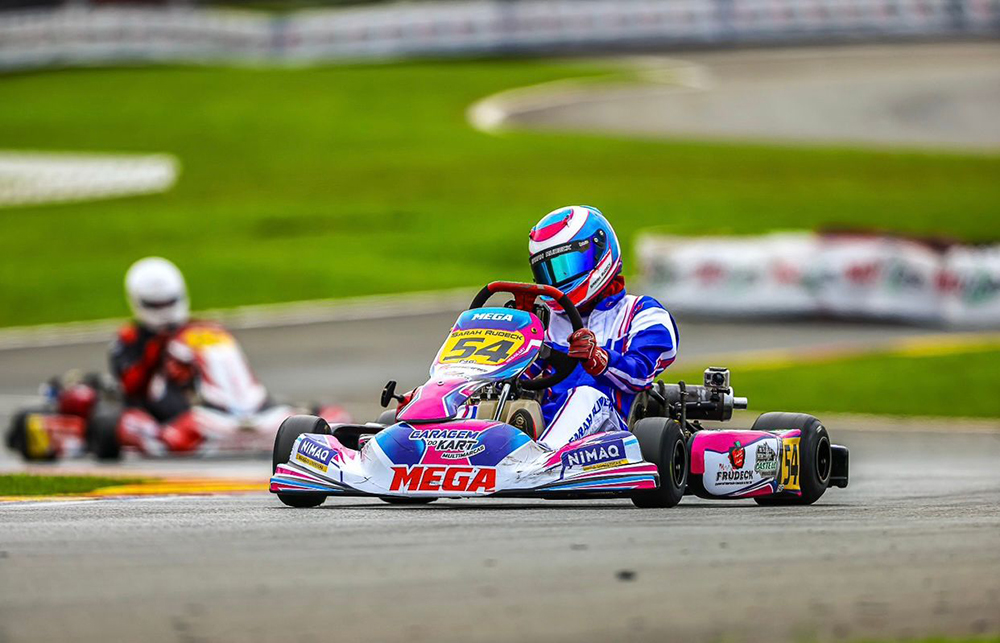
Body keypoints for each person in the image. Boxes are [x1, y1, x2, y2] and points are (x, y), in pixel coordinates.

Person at [526, 205, 678, 449]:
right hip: (544, 426)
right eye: (548, 272)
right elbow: (520, 379)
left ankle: (541, 458)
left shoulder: (642, 313)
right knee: (486, 399)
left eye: (568, 265)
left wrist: (600, 359)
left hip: (612, 432)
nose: (557, 280)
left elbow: (640, 375)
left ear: (599, 252)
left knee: (585, 395)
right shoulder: (543, 321)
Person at [109, 257, 194, 421]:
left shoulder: (193, 332)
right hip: (154, 413)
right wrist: (154, 354)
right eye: (156, 306)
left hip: (201, 399)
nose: (164, 311)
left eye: (169, 302)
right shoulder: (129, 339)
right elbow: (130, 387)